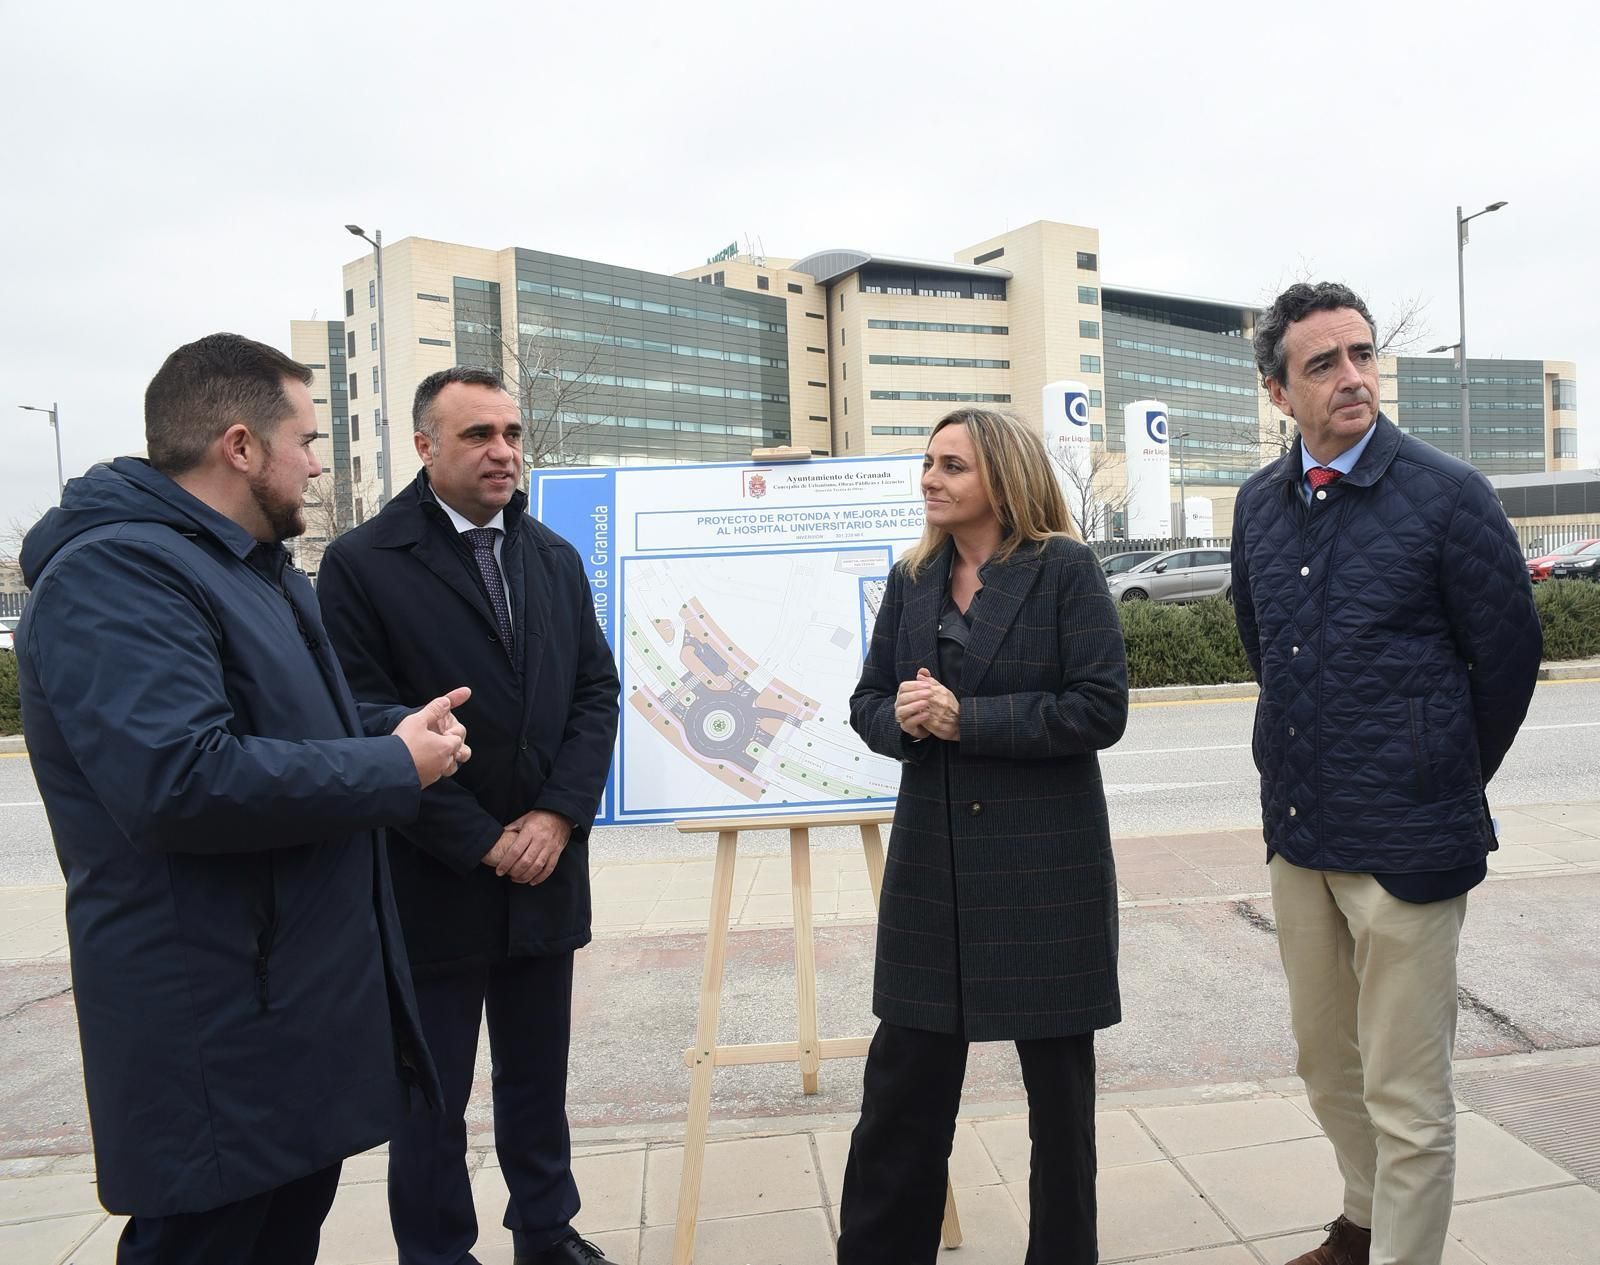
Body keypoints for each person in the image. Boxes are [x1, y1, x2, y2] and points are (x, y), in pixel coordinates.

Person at [14, 332, 471, 1265]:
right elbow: (177, 780)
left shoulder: (248, 568)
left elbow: (286, 725)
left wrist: (391, 730)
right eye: (306, 440)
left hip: (280, 1010)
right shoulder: (118, 573)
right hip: (212, 1026)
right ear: (240, 446)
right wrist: (392, 768)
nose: (316, 465)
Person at [1231, 283, 1543, 1265]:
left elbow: (1507, 661)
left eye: (1362, 354)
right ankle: (1363, 1224)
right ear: (1278, 391)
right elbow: (1264, 648)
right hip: (1301, 835)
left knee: (1407, 1095)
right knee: (1327, 1065)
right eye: (1322, 363)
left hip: (1410, 844)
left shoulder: (1448, 494)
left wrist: (1434, 772)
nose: (1352, 376)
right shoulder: (1258, 504)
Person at [318, 366, 621, 1265]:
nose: (503, 451)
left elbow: (595, 693)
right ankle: (438, 1250)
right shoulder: (362, 563)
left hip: (544, 870)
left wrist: (556, 818)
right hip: (431, 877)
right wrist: (483, 839)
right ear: (425, 446)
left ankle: (546, 1230)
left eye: (512, 434)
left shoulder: (551, 557)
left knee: (537, 1078)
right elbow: (357, 717)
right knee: (430, 1095)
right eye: (478, 434)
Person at [837, 408, 1129, 1264]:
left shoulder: (1065, 569)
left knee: (1061, 1108)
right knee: (901, 1095)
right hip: (933, 873)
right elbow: (866, 701)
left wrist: (969, 718)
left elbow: (1100, 708)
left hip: (1045, 871)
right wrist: (903, 717)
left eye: (952, 465)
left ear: (1002, 477)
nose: (930, 478)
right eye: (929, 462)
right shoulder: (912, 577)